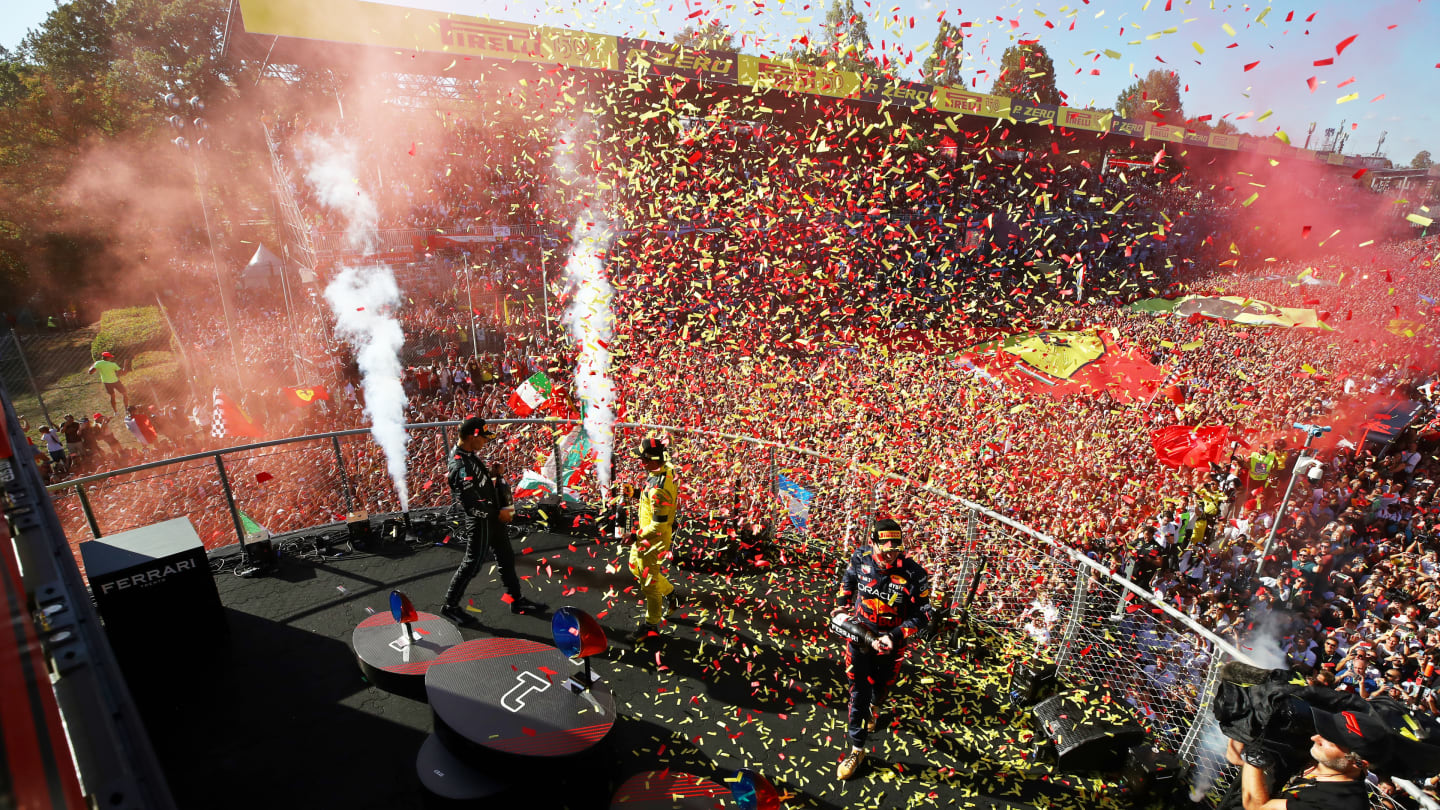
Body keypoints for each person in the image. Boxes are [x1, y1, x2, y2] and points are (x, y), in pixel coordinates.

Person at [831, 518, 934, 781]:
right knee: (857, 694)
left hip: (893, 644)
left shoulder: (915, 574)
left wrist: (895, 635)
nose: (889, 555)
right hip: (860, 638)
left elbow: (923, 615)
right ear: (872, 543)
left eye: (895, 549)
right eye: (884, 549)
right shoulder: (860, 557)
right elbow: (848, 581)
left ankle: (875, 710)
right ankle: (857, 749)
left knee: (882, 687)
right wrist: (841, 604)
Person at [438, 416, 546, 624]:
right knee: (472, 563)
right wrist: (498, 514)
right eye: (484, 438)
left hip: (492, 519)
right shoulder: (459, 464)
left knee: (506, 557)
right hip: (482, 522)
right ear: (472, 437)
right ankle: (450, 605)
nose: (486, 442)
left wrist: (491, 474)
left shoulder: (467, 454)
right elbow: (470, 504)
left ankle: (517, 599)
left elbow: (476, 483)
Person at [1224, 705, 1386, 810]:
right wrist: (1243, 728)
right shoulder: (1313, 757)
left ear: (1357, 762)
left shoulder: (1342, 803)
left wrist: (1254, 756)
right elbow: (1235, 757)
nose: (1316, 738)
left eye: (1329, 740)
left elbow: (1258, 807)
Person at [627, 437, 680, 643]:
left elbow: (658, 525)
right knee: (635, 567)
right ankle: (670, 592)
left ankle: (651, 625)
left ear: (650, 461)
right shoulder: (665, 469)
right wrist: (635, 493)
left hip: (652, 540)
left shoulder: (659, 489)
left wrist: (634, 536)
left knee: (649, 584)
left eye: (643, 459)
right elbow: (651, 498)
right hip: (646, 537)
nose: (641, 463)